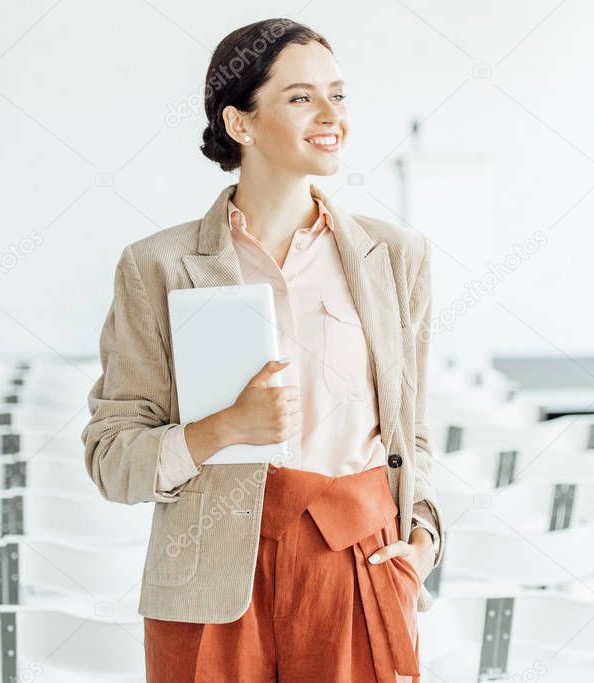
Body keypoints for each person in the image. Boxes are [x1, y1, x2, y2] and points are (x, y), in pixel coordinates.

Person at [81, 18, 443, 682]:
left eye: (338, 93)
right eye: (301, 97)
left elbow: (410, 427)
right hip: (210, 582)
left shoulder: (395, 257)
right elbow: (111, 458)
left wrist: (424, 539)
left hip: (359, 565)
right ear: (240, 124)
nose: (332, 114)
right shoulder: (157, 266)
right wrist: (224, 430)